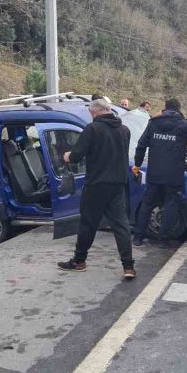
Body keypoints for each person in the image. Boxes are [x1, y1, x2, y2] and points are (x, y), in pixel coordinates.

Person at [56, 99, 136, 279]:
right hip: (118, 184)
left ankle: (79, 261)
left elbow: (76, 156)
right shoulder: (125, 130)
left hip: (96, 185)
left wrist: (68, 156)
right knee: (121, 225)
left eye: (91, 114)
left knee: (88, 224)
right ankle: (128, 267)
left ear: (95, 112)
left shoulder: (92, 129)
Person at [132, 98, 187, 248]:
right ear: (179, 109)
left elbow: (141, 145)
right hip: (174, 173)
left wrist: (137, 164)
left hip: (154, 172)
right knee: (171, 205)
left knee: (147, 204)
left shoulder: (153, 123)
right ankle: (162, 240)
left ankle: (138, 238)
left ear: (165, 108)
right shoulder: (183, 125)